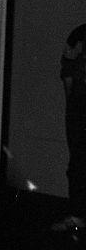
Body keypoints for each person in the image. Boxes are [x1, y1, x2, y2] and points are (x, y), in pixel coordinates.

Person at [52, 23, 86, 235]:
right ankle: (77, 217)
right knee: (78, 166)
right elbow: (68, 76)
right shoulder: (79, 35)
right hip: (79, 114)